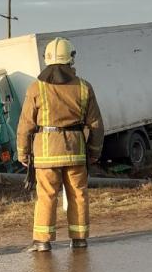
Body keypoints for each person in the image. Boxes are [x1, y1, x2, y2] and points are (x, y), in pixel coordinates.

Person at [17, 37, 104, 251]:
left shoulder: (36, 87)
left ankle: (42, 241)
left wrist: (23, 153)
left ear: (47, 58)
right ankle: (79, 238)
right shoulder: (84, 87)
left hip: (46, 153)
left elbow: (25, 124)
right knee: (78, 194)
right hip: (75, 151)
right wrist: (94, 151)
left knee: (46, 196)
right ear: (70, 58)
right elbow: (96, 124)